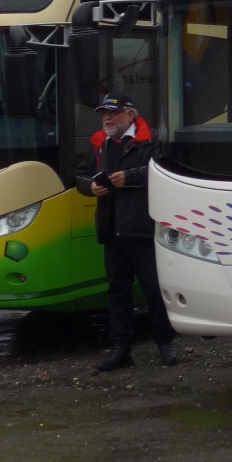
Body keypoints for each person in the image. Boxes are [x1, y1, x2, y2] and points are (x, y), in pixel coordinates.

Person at [76, 91, 178, 371]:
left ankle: (166, 344)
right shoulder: (98, 144)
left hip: (143, 229)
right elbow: (81, 176)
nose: (107, 118)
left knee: (153, 291)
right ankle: (121, 349)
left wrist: (131, 177)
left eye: (113, 113)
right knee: (118, 292)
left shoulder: (153, 139)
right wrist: (90, 187)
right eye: (103, 114)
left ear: (130, 115)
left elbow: (167, 171)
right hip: (112, 229)